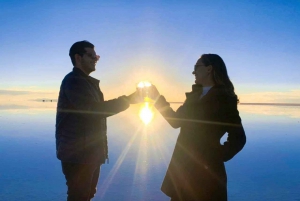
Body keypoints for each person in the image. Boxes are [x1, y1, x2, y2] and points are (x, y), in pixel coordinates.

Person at [149, 54, 246, 201]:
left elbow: (239, 138)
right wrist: (156, 98)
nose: (193, 72)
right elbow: (175, 121)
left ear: (209, 69)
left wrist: (216, 155)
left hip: (207, 175)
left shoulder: (225, 99)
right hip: (183, 169)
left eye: (196, 67)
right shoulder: (194, 96)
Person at [55, 40, 140, 201]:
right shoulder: (74, 81)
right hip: (77, 154)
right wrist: (128, 99)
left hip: (89, 153)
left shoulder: (87, 83)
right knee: (79, 196)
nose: (95, 59)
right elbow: (93, 111)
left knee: (88, 194)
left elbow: (97, 111)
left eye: (96, 56)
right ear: (78, 58)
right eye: (91, 55)